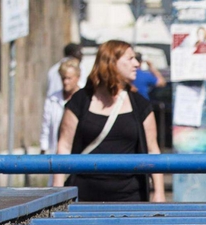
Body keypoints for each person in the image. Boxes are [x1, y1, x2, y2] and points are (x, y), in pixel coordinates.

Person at [53, 40, 166, 202]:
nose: (136, 64)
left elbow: (152, 150)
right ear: (111, 62)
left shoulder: (140, 105)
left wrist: (159, 192)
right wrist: (58, 191)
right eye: (130, 58)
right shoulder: (80, 101)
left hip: (130, 197)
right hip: (84, 196)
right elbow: (64, 146)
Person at [40, 57, 82, 154]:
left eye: (69, 78)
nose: (65, 82)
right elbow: (45, 126)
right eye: (63, 78)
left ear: (77, 77)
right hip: (56, 153)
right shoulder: (52, 100)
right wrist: (43, 147)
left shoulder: (85, 99)